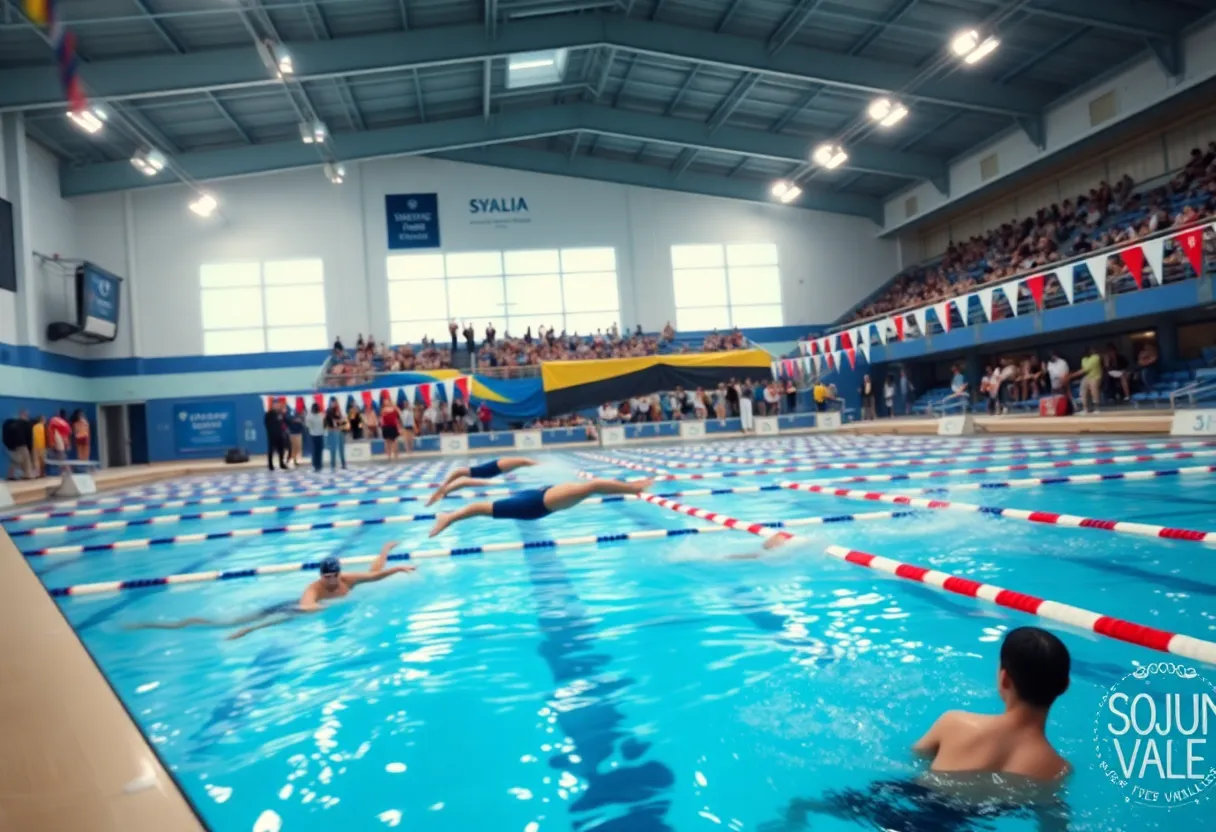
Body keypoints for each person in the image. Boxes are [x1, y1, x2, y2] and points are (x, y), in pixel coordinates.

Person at [768, 627, 1071, 832]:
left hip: (902, 804)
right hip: (958, 824)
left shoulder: (956, 723)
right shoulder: (1056, 770)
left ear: (1004, 679)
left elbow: (916, 757)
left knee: (804, 803)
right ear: (1065, 687)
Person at [127, 541, 415, 640]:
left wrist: (394, 562)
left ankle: (242, 629)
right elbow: (306, 605)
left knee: (245, 621)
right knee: (231, 622)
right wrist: (319, 607)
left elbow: (374, 575)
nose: (330, 580)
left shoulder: (347, 579)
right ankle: (183, 625)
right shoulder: (313, 588)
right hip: (289, 609)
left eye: (333, 575)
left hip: (304, 611)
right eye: (326, 576)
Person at [429, 477, 654, 537]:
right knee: (592, 486)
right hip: (535, 503)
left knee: (485, 508)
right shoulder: (540, 504)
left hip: (536, 499)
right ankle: (634, 489)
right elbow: (595, 485)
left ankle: (449, 517)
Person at [426, 456, 538, 505]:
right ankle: (441, 491)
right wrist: (443, 487)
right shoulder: (525, 463)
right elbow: (460, 474)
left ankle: (442, 491)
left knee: (464, 478)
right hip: (495, 469)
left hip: (495, 472)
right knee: (463, 477)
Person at [2, 410, 34, 480]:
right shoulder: (26, 424)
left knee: (15, 461)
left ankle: (10, 475)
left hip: (15, 446)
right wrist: (30, 447)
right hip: (23, 445)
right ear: (25, 415)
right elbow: (29, 436)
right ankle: (27, 475)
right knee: (26, 460)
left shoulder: (13, 424)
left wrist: (11, 446)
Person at [1076, 346, 1103, 414]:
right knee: (1083, 387)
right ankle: (1085, 409)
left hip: (1096, 376)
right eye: (1090, 350)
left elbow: (1086, 368)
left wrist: (1071, 375)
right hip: (1088, 376)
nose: (1092, 351)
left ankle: (1097, 408)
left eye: (1092, 350)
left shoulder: (1096, 357)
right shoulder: (1084, 359)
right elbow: (1084, 369)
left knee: (1093, 388)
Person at [264, 399, 289, 471]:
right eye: (275, 404)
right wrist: (271, 431)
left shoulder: (280, 413)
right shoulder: (269, 414)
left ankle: (281, 463)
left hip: (280, 434)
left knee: (281, 450)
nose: (277, 406)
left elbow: (286, 421)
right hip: (272, 435)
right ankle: (270, 465)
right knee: (271, 450)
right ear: (272, 405)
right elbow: (266, 424)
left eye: (278, 404)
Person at [324, 400, 347, 470]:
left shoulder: (339, 411)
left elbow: (343, 421)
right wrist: (339, 421)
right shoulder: (329, 411)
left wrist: (340, 421)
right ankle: (333, 465)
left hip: (340, 431)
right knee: (333, 449)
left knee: (341, 448)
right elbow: (331, 422)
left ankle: (343, 464)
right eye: (333, 403)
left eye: (336, 403)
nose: (335, 404)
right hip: (333, 431)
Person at [305, 402, 326, 471]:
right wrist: (310, 422)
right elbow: (308, 425)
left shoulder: (321, 415)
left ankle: (319, 464)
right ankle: (315, 465)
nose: (316, 409)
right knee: (315, 450)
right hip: (313, 435)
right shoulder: (309, 416)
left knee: (320, 450)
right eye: (315, 408)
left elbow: (323, 424)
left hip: (320, 434)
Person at [380, 397, 401, 461]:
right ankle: (388, 455)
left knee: (394, 441)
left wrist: (399, 427)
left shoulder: (394, 408)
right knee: (387, 441)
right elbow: (381, 418)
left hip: (393, 426)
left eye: (387, 401)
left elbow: (399, 414)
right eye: (385, 401)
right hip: (386, 427)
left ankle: (396, 454)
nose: (386, 402)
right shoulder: (383, 409)